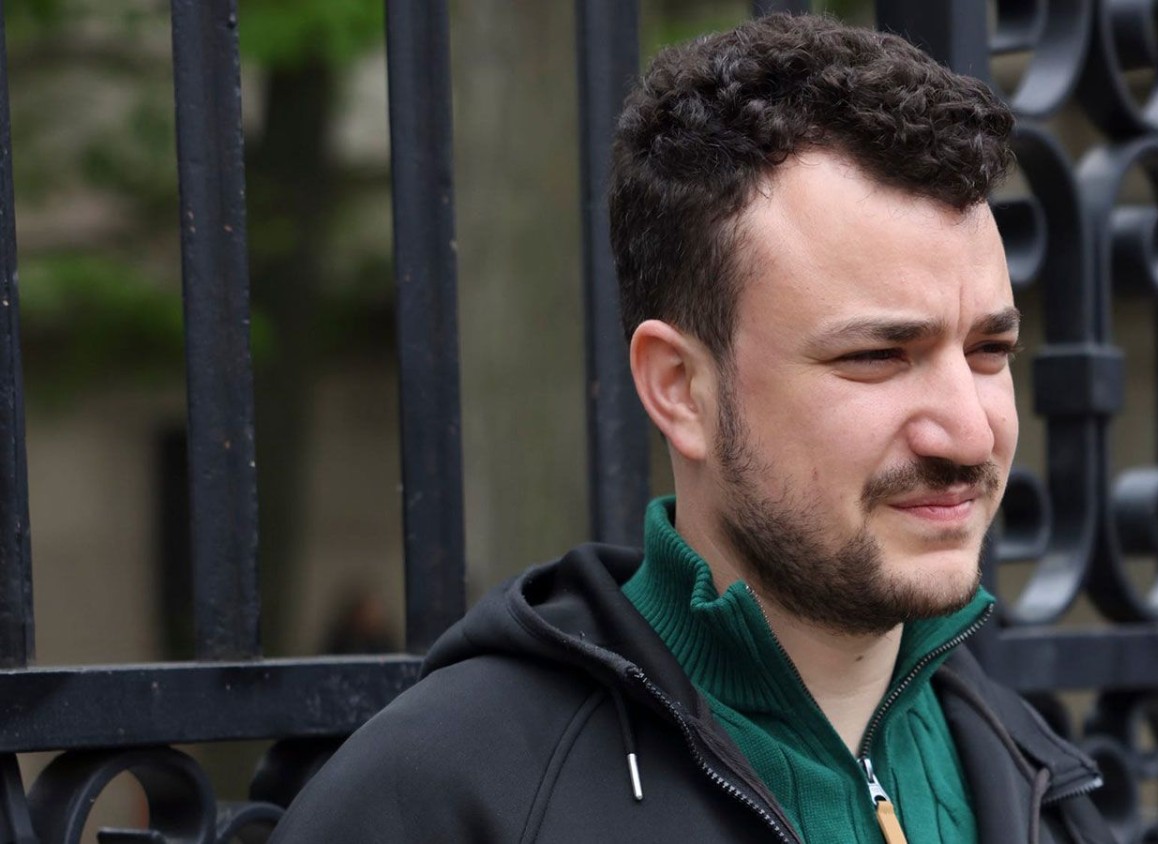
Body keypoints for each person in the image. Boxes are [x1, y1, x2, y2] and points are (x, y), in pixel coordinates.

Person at [272, 13, 1113, 843]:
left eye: (989, 349)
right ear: (680, 388)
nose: (968, 435)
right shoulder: (448, 796)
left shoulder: (1036, 779)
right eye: (878, 356)